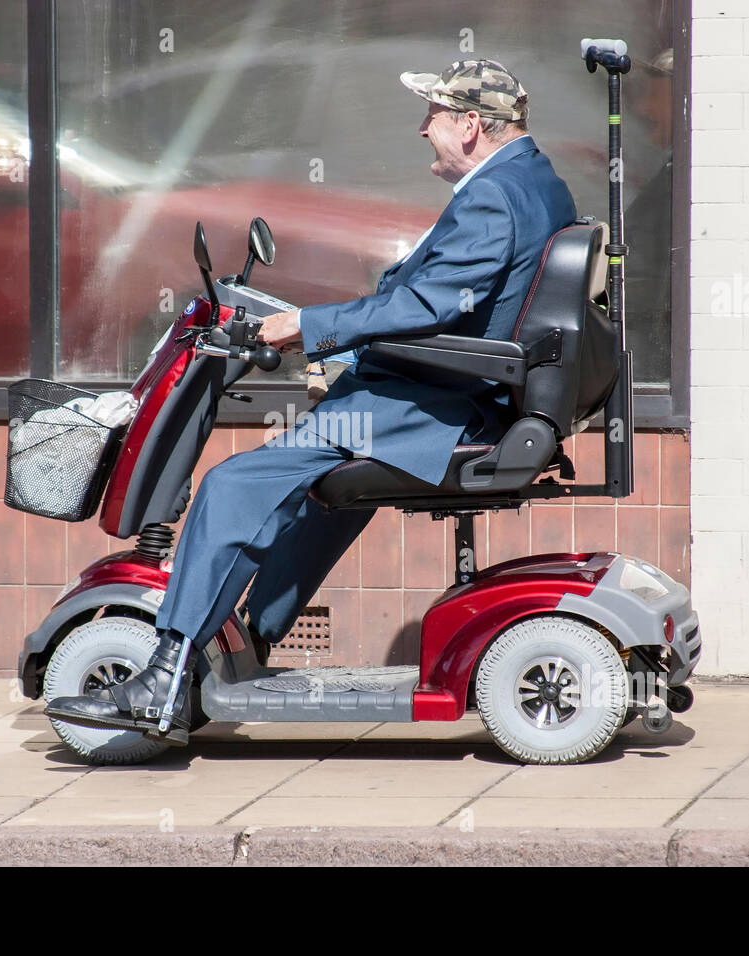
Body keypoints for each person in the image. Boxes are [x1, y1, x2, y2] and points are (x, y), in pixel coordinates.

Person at [46, 58, 577, 743]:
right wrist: (348, 347)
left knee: (231, 485)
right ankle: (247, 648)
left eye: (434, 116)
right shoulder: (535, 181)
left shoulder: (492, 196)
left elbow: (432, 302)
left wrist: (306, 328)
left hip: (431, 407)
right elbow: (453, 302)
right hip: (451, 390)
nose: (422, 130)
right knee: (316, 493)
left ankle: (163, 682)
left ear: (471, 125)